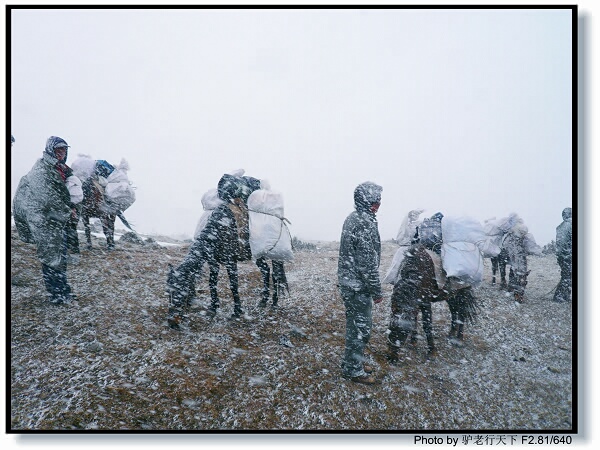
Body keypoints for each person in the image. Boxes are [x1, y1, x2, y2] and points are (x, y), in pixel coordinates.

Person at [167, 174, 244, 327]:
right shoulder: (220, 213)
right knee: (218, 275)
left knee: (223, 274)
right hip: (210, 244)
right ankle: (225, 305)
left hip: (212, 244)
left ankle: (234, 306)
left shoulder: (225, 212)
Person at [12, 136, 77, 304]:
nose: (62, 153)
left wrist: (72, 207)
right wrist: (67, 210)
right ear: (50, 150)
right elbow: (46, 197)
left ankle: (63, 290)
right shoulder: (42, 168)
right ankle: (56, 295)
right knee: (50, 257)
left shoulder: (61, 168)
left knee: (60, 256)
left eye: (64, 150)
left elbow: (64, 193)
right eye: (58, 150)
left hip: (55, 220)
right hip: (44, 221)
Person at [337, 181, 383, 385]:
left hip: (350, 284)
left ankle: (352, 362)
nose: (379, 204)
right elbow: (367, 263)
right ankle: (353, 370)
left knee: (355, 327)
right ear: (368, 201)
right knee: (360, 329)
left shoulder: (355, 218)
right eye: (376, 200)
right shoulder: (363, 222)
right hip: (357, 286)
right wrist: (377, 290)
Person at [553, 207, 572, 303]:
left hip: (565, 256)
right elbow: (563, 242)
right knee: (568, 276)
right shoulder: (569, 225)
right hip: (567, 256)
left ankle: (564, 295)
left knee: (567, 275)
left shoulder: (562, 226)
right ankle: (560, 296)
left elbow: (561, 243)